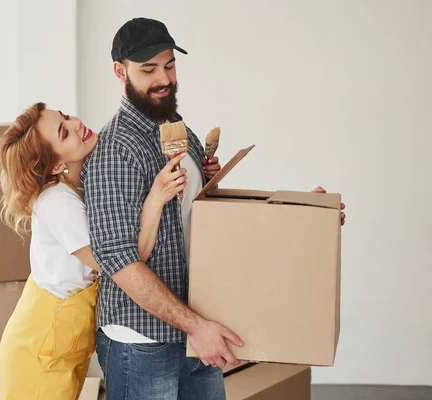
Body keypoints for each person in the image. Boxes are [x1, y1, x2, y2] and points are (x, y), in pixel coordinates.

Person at [82, 17, 347, 399]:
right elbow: (119, 262)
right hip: (142, 342)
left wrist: (306, 218)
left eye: (170, 66)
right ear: (119, 72)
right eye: (149, 69)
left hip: (196, 331)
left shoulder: (177, 129)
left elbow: (201, 225)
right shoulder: (115, 151)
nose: (164, 79)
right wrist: (195, 327)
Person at [0, 102, 189, 399]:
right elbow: (123, 261)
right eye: (64, 133)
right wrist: (156, 198)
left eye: (66, 117)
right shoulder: (58, 204)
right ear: (56, 165)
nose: (76, 125)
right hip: (42, 346)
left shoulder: (80, 182)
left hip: (60, 339)